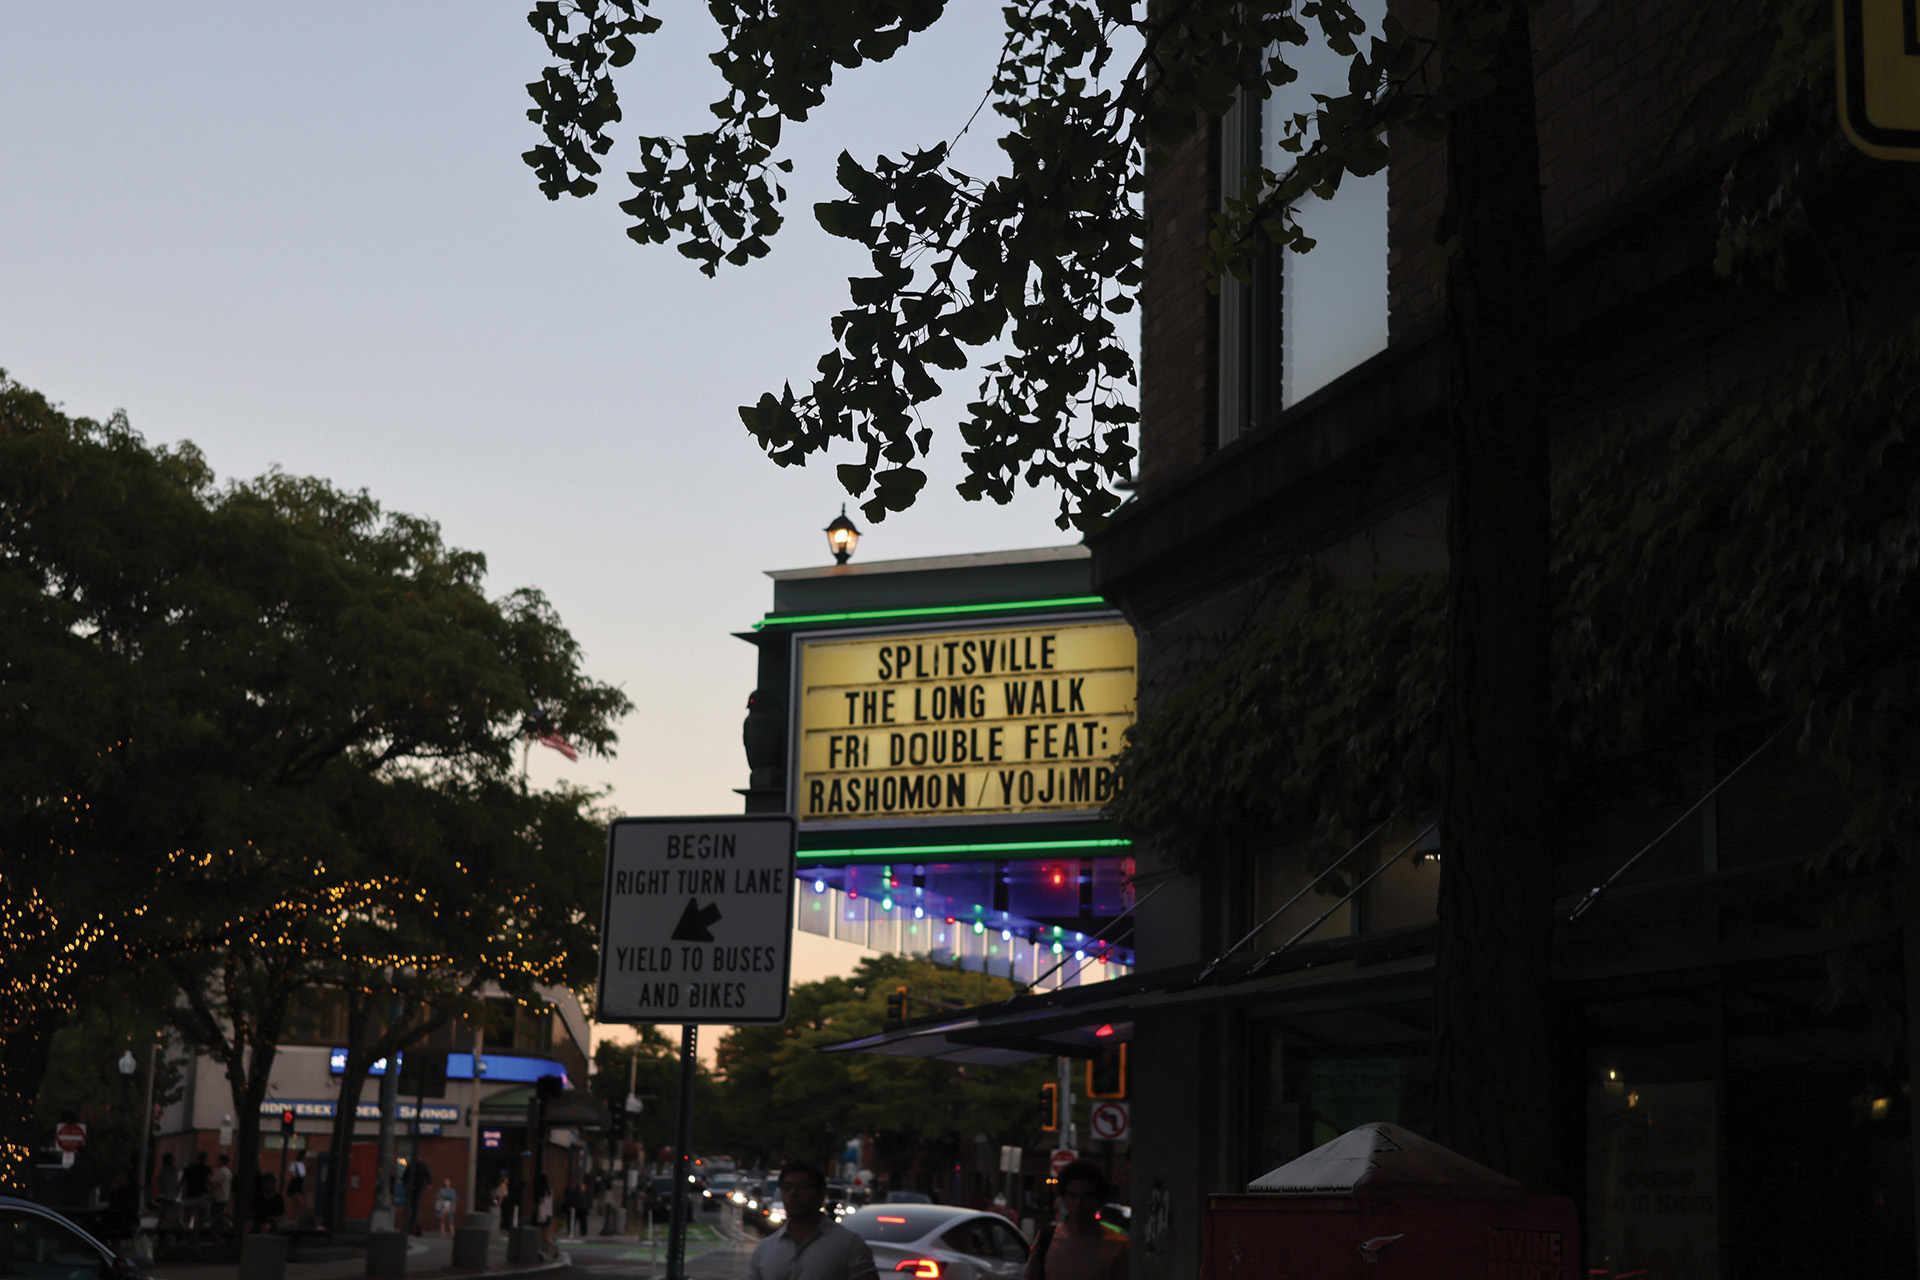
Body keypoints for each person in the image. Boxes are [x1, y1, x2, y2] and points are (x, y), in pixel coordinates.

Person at [748, 1159, 877, 1280]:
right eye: (787, 1187)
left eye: (802, 1186)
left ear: (821, 1194)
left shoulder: (848, 1245)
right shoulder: (765, 1249)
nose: (793, 1193)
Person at [1022, 1161, 1127, 1280]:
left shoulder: (1117, 1246)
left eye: (1086, 1196)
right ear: (1064, 1198)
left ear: (1098, 1200)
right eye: (1072, 1195)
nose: (1078, 1203)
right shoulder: (1047, 1239)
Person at [178, 1150, 212, 1232]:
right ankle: (197, 1234)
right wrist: (211, 1192)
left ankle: (185, 1234)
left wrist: (177, 1193)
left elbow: (182, 1182)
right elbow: (209, 1182)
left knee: (187, 1217)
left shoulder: (189, 1168)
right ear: (205, 1159)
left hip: (189, 1195)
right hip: (201, 1196)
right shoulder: (207, 1169)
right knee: (200, 1218)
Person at [404, 1158, 432, 1236]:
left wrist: (429, 1183)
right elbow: (405, 1176)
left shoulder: (423, 1167)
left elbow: (428, 1175)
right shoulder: (411, 1166)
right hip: (410, 1190)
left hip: (418, 1189)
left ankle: (412, 1227)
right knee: (408, 1207)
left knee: (415, 1208)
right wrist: (406, 1185)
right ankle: (407, 1226)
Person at [208, 1154, 234, 1230]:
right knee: (220, 1215)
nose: (217, 1162)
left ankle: (216, 1230)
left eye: (218, 1160)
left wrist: (210, 1193)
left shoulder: (220, 1171)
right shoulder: (228, 1172)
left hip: (218, 1198)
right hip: (225, 1198)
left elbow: (216, 1184)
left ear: (222, 1161)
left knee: (214, 1215)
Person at [285, 1151, 308, 1223]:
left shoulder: (303, 1165)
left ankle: (293, 1220)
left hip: (298, 1187)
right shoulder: (296, 1164)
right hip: (294, 1187)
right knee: (300, 1205)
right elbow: (289, 1176)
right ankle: (294, 1220)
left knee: (297, 1206)